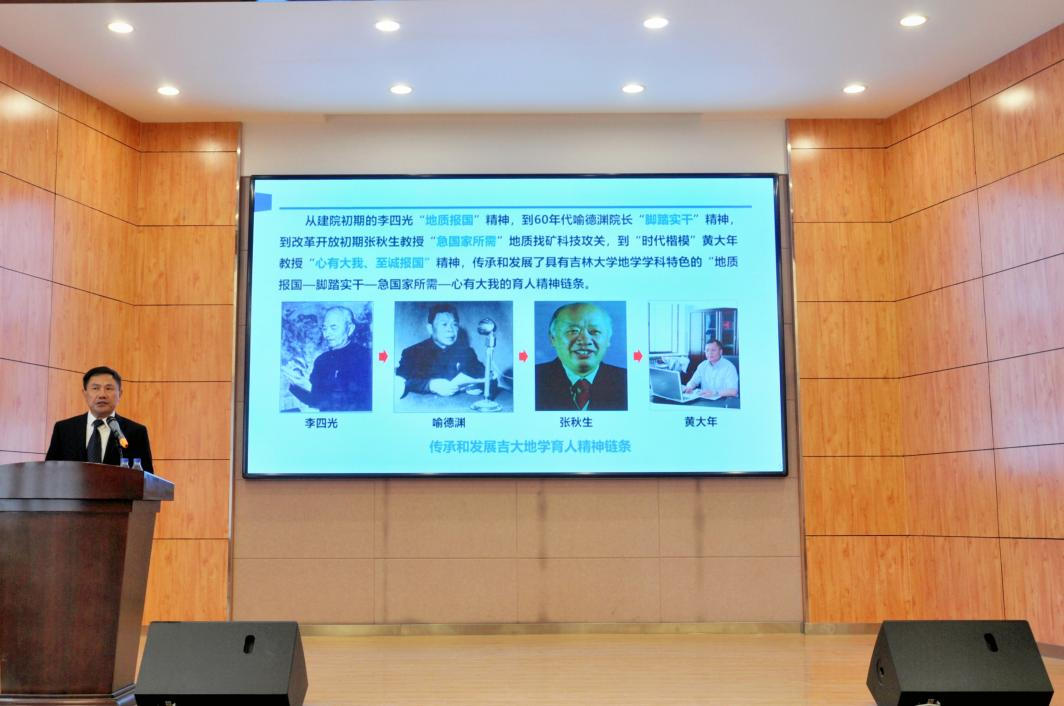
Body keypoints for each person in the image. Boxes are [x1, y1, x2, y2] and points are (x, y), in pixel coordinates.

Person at [45, 366, 154, 473]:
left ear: (120, 394)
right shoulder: (64, 429)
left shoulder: (136, 432)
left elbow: (146, 479)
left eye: (109, 388)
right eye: (95, 388)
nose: (102, 395)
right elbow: (49, 472)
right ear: (85, 393)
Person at [535, 302, 627, 411]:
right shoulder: (534, 378)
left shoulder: (626, 381)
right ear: (553, 338)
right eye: (573, 331)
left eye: (595, 331)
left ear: (608, 339)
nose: (585, 340)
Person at [283, 305, 371, 411]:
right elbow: (314, 401)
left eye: (333, 328)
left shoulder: (365, 357)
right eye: (324, 328)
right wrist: (296, 382)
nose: (327, 334)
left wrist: (308, 386)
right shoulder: (321, 360)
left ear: (350, 329)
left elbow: (357, 402)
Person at [396, 303, 487, 397]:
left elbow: (485, 375)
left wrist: (478, 385)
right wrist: (430, 385)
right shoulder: (412, 352)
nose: (450, 330)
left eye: (454, 324)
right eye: (444, 324)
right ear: (430, 329)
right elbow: (400, 380)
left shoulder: (467, 352)